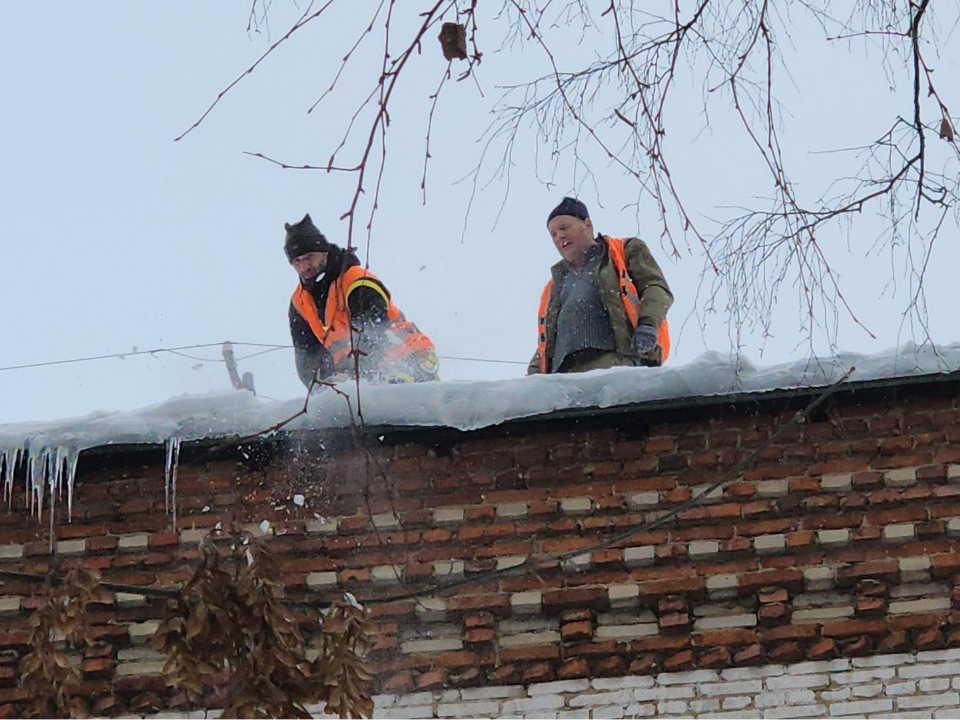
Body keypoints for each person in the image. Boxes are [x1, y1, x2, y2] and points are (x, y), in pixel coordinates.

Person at [285, 214, 439, 386]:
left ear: (323, 252)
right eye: (296, 261)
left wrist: (351, 378)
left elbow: (373, 339)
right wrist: (322, 391)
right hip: (360, 376)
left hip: (408, 363)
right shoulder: (300, 304)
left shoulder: (356, 283)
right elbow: (308, 360)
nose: (304, 266)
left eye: (309, 257)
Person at [528, 197, 673, 375]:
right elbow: (546, 340)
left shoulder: (622, 251)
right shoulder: (555, 285)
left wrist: (648, 325)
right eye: (554, 234)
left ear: (587, 225)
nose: (559, 237)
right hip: (564, 377)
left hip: (614, 364)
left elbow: (656, 287)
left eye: (564, 228)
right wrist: (535, 373)